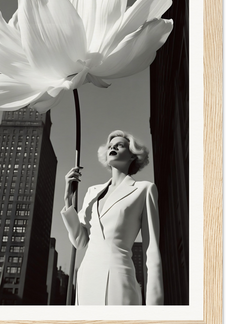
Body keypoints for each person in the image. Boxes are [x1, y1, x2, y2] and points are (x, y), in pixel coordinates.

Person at [61, 130, 163, 305]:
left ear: (133, 155)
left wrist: (155, 309)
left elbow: (151, 252)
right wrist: (68, 201)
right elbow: (80, 242)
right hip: (86, 280)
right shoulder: (92, 192)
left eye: (120, 145)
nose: (113, 147)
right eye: (110, 146)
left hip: (119, 281)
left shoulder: (144, 189)